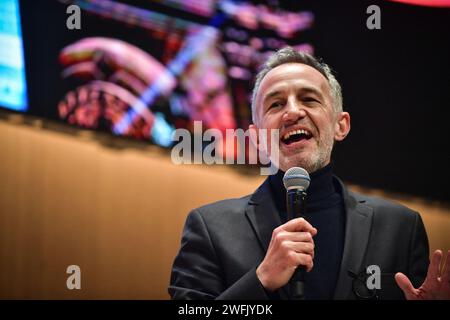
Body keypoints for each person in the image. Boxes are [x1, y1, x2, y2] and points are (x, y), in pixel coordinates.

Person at [168, 47, 450, 300]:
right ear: (256, 139)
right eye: (275, 104)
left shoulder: (400, 227)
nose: (292, 112)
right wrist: (261, 280)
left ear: (341, 125)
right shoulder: (210, 227)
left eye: (309, 99)